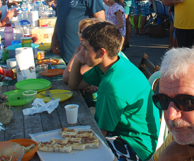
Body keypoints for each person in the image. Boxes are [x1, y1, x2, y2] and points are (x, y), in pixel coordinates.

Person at [68, 22, 160, 161]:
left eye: (85, 48)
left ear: (101, 52)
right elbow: (75, 85)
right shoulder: (114, 63)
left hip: (137, 146)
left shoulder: (110, 85)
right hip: (143, 137)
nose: (82, 52)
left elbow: (100, 135)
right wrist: (77, 61)